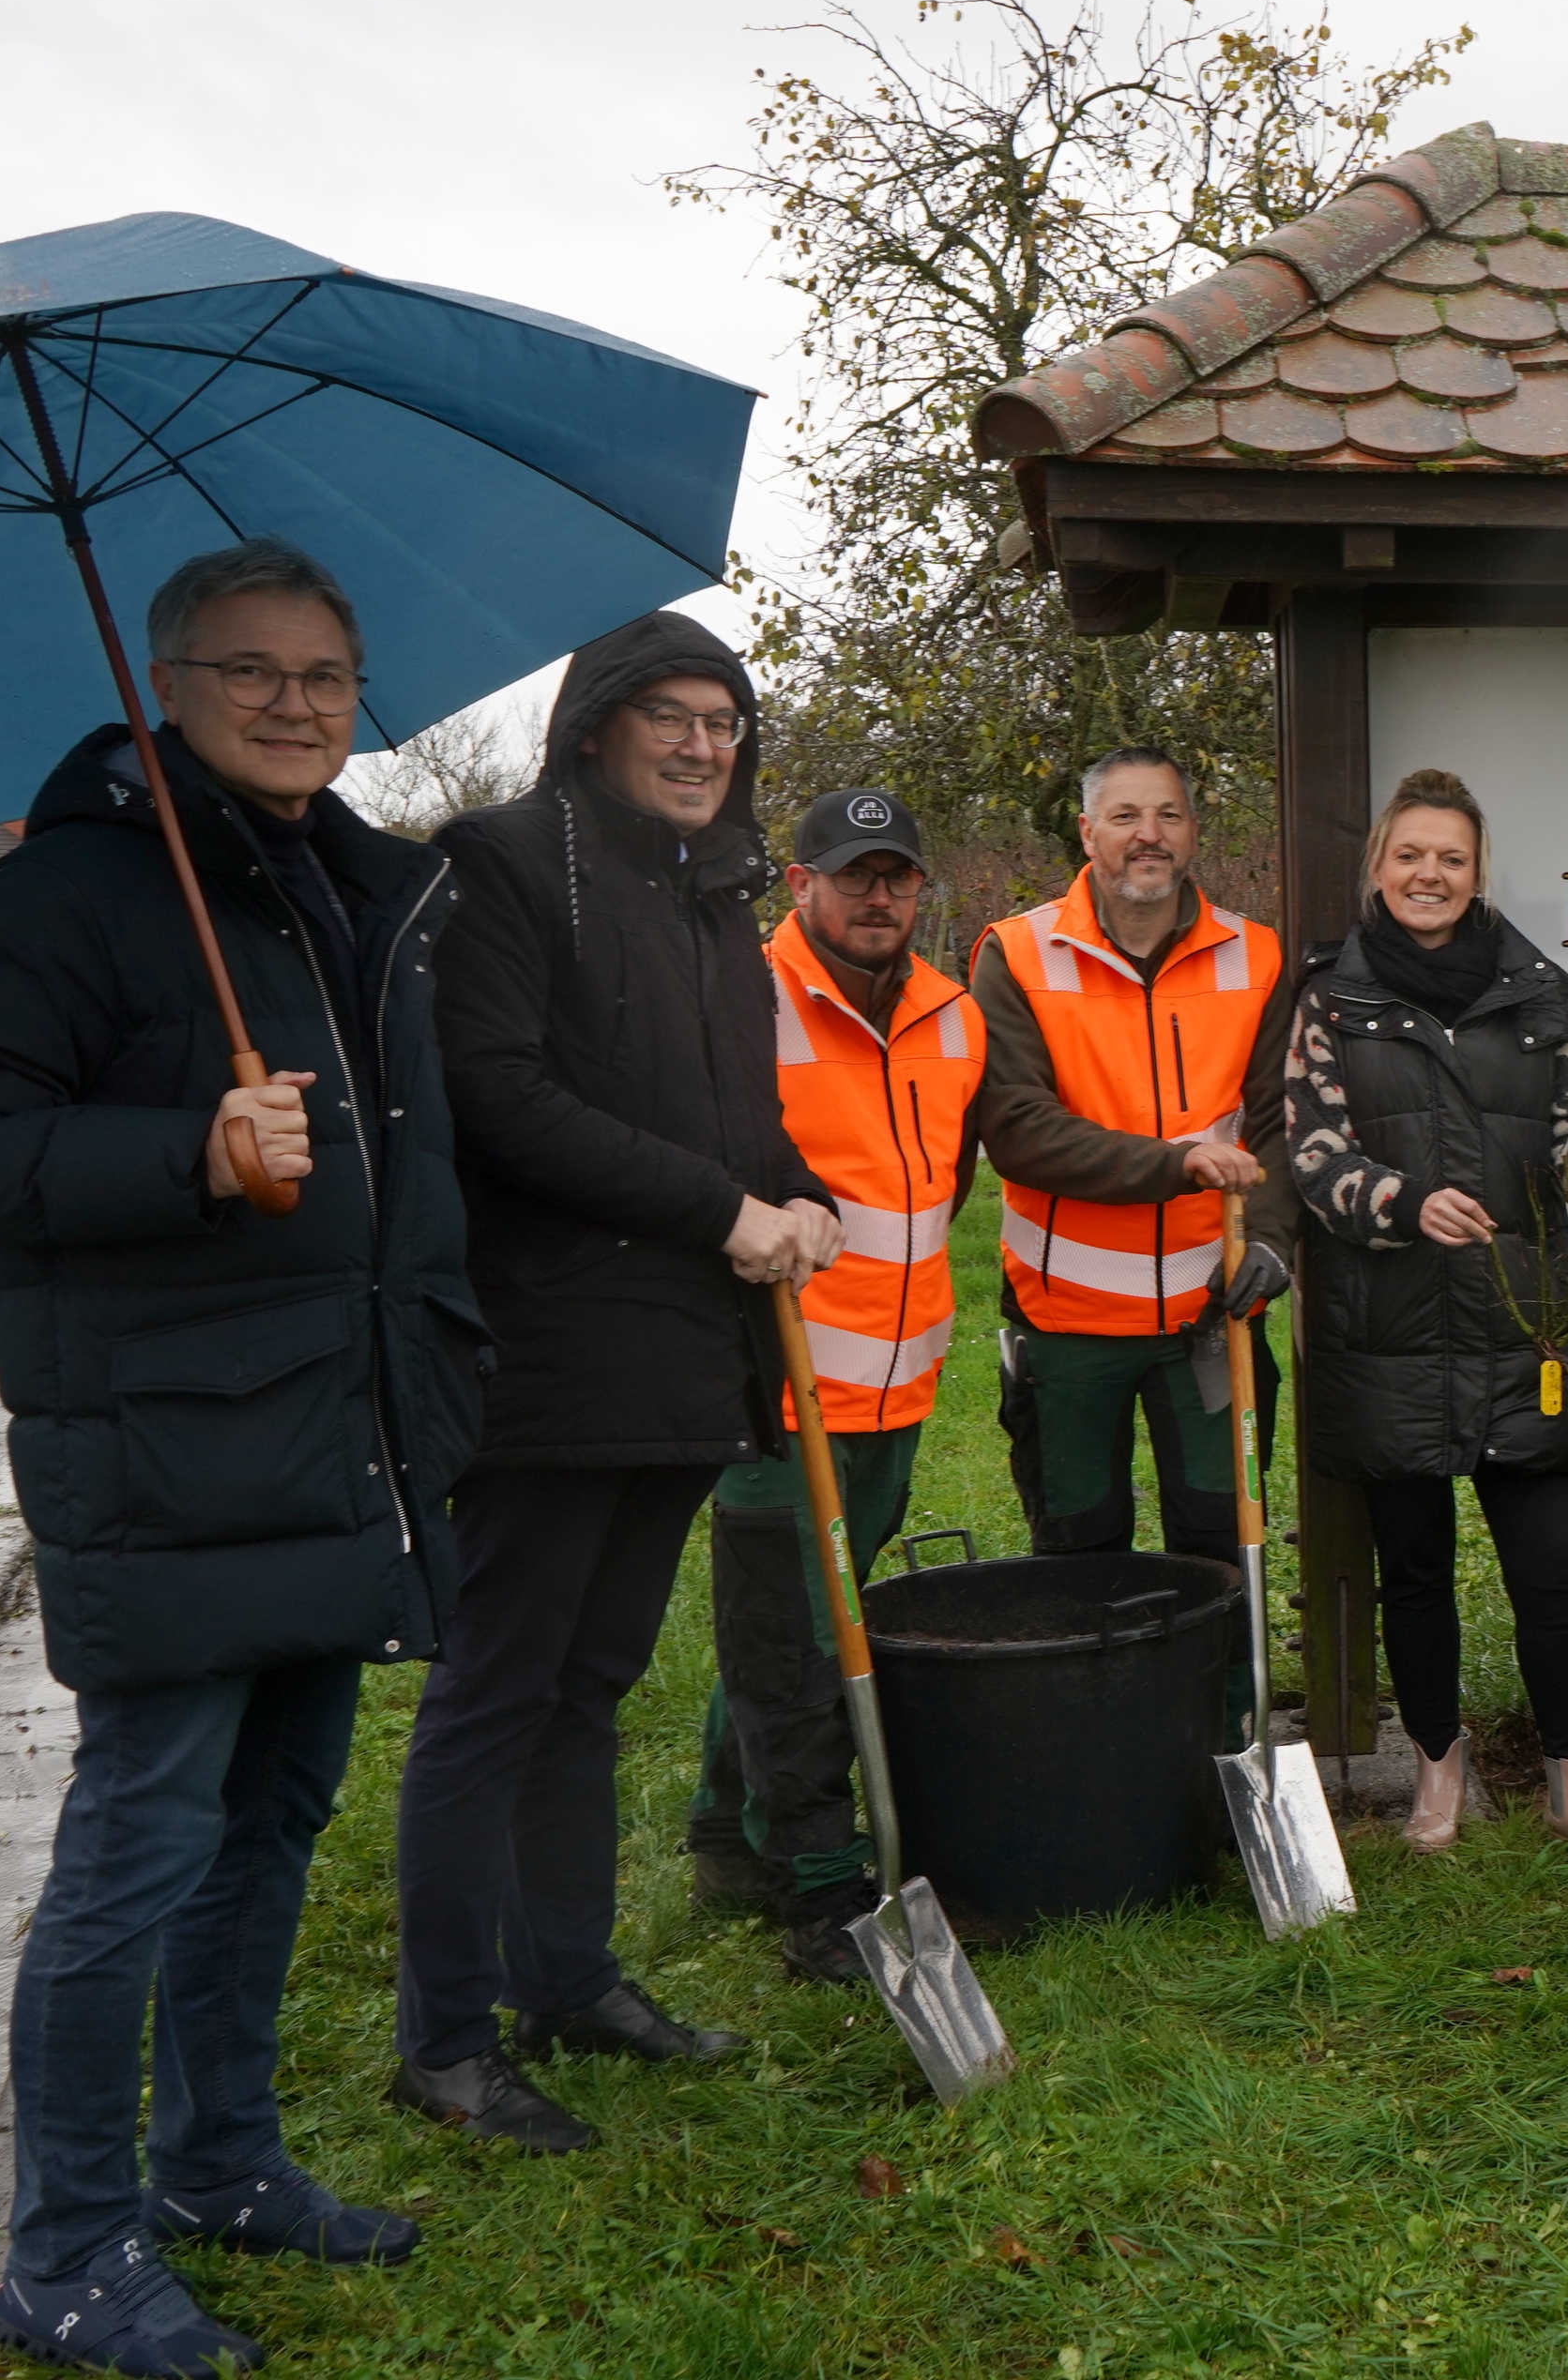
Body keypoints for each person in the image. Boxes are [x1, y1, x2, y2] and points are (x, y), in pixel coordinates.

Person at [0, 538, 459, 2373]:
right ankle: (61, 2247)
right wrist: (182, 1156)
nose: (293, 704)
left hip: (330, 1433)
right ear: (169, 687)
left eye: (322, 674)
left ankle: (218, 2161)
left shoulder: (343, 890)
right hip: (173, 1453)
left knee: (272, 1822)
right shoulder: (76, 898)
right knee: (141, 1842)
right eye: (250, 671)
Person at [390, 612, 838, 2153]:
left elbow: (733, 1110)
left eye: (725, 717)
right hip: (549, 1351)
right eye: (672, 713)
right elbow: (500, 1091)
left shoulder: (715, 894)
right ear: (597, 723)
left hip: (684, 1359)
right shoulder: (509, 861)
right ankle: (443, 2039)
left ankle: (565, 1978)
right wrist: (727, 1210)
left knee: (590, 1686)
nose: (705, 742)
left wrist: (796, 1187)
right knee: (499, 1690)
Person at [1288, 767, 1568, 1860]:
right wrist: (1399, 1199)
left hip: (1515, 1319)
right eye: (1411, 855)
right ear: (1378, 868)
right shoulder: (1329, 998)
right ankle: (1437, 1771)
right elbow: (1310, 1155)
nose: (1429, 874)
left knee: (1552, 1563)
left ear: (1478, 869)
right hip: (1389, 1320)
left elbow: (1563, 1139)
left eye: (1450, 857)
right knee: (1414, 1566)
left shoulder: (1539, 996)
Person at [683, 788, 981, 1985]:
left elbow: (948, 1178)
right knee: (800, 1643)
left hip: (895, 1383)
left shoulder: (954, 1013)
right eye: (852, 875)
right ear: (799, 885)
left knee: (799, 1621)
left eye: (896, 875)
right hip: (773, 1381)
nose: (877, 897)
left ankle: (723, 1831)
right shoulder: (739, 999)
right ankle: (818, 1884)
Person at [972, 747, 1291, 1568]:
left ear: (1193, 834)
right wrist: (1175, 1163)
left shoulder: (1259, 958)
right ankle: (1098, 1700)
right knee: (1079, 1556)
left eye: (1168, 815)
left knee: (1225, 1549)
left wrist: (1273, 1240)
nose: (1147, 836)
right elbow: (1015, 1128)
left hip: (1215, 1315)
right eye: (1124, 817)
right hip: (1066, 1322)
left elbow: (1286, 1128)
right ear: (1087, 833)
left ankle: (1225, 1704)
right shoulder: (1015, 952)